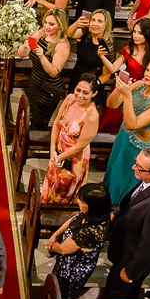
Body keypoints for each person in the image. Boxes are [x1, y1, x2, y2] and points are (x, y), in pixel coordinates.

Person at [103, 148, 150, 299]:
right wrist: (117, 213)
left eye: (138, 167)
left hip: (131, 255)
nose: (133, 168)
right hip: (127, 236)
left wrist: (131, 271)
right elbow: (134, 197)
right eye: (136, 162)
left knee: (118, 291)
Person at [103, 57, 150, 205]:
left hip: (137, 150)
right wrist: (119, 87)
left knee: (123, 182)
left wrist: (127, 96)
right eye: (147, 70)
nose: (147, 75)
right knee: (112, 174)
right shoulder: (139, 85)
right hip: (122, 139)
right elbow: (112, 104)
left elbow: (132, 124)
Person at [45, 183, 111, 299]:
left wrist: (50, 245)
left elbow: (63, 250)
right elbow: (74, 220)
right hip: (65, 262)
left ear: (94, 206)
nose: (78, 202)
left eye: (82, 202)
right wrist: (55, 235)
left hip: (71, 270)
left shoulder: (89, 232)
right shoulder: (91, 214)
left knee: (60, 294)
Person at [41, 75, 99, 203]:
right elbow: (57, 123)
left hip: (73, 159)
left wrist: (59, 158)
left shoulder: (92, 116)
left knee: (62, 193)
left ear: (94, 93)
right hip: (58, 151)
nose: (80, 95)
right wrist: (52, 149)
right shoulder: (70, 99)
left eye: (85, 93)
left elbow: (79, 146)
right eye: (78, 90)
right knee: (51, 183)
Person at [99, 18, 150, 133]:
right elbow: (113, 68)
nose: (135, 36)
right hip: (124, 87)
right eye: (134, 32)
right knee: (112, 117)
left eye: (140, 33)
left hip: (143, 90)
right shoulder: (128, 49)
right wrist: (102, 56)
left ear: (148, 34)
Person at [18, 9, 72, 130]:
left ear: (60, 25)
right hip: (34, 83)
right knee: (26, 115)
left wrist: (42, 56)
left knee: (38, 124)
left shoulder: (62, 45)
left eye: (51, 24)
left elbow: (53, 72)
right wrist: (25, 47)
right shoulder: (41, 33)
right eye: (46, 22)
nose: (47, 26)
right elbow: (21, 54)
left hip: (48, 90)